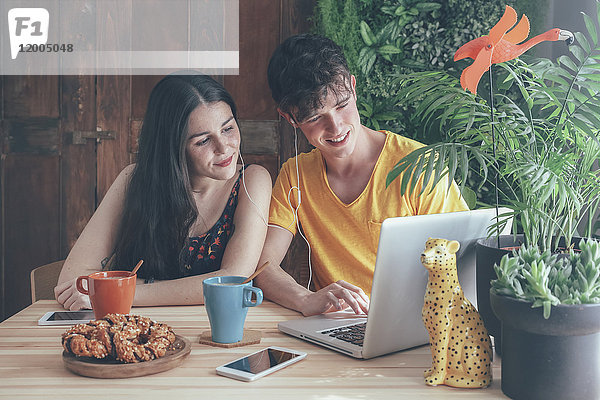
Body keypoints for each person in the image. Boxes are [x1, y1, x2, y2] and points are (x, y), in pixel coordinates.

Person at [254, 34, 468, 317]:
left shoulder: (418, 165)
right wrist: (305, 299)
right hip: (335, 329)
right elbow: (264, 266)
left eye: (342, 105)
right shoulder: (295, 176)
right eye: (315, 117)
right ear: (290, 118)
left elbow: (461, 260)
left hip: (415, 324)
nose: (336, 127)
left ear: (353, 88)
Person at [55, 74, 272, 311]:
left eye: (228, 128)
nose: (224, 147)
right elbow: (72, 279)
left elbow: (234, 279)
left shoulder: (251, 181)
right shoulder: (133, 179)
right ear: (173, 147)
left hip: (211, 332)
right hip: (135, 330)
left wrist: (120, 292)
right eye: (203, 141)